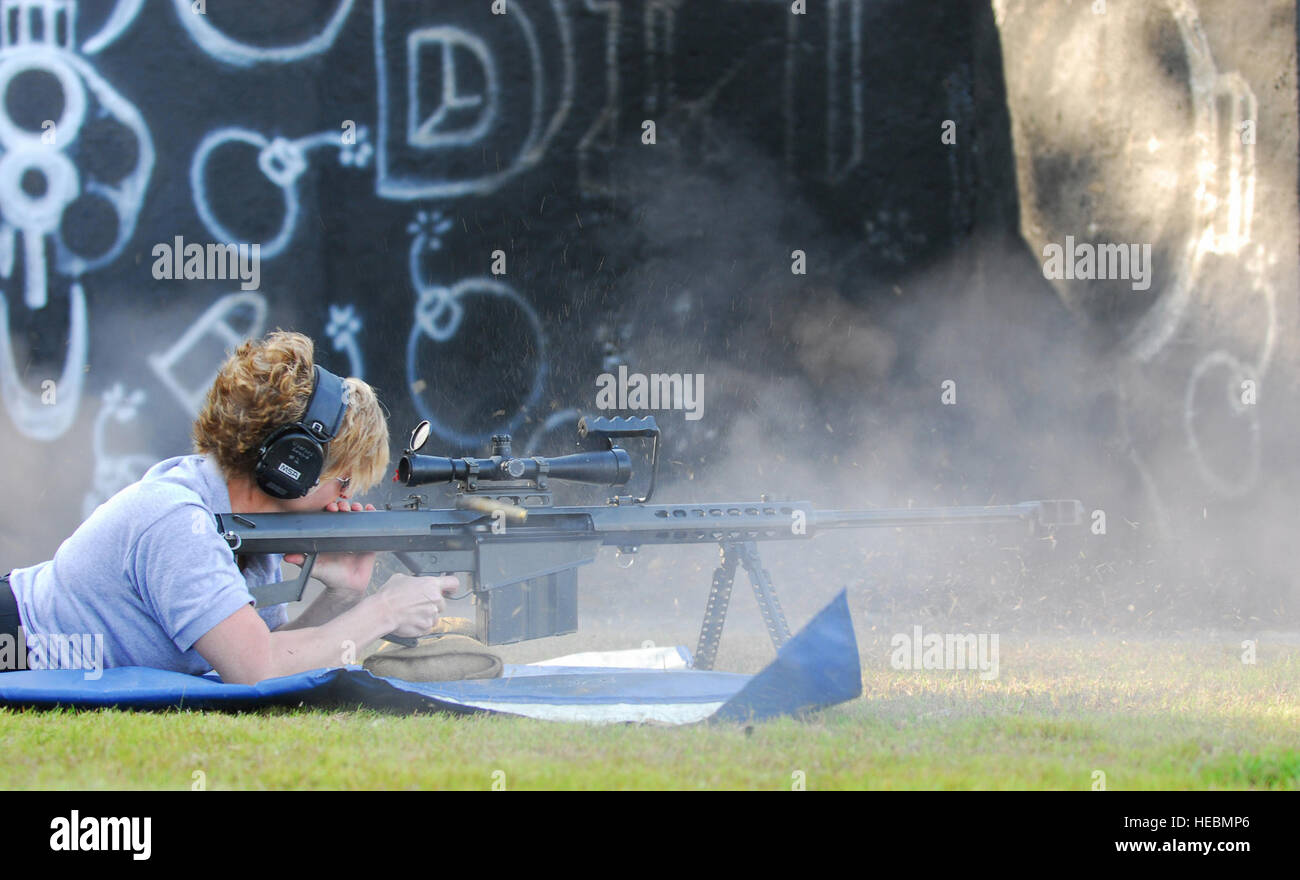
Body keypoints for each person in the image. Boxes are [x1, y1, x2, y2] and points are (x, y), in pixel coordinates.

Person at [1, 331, 457, 685]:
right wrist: (383, 612)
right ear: (291, 465)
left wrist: (343, 598)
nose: (345, 499)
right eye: (342, 480)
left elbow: (266, 653)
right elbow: (256, 669)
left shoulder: (246, 531)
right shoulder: (179, 519)